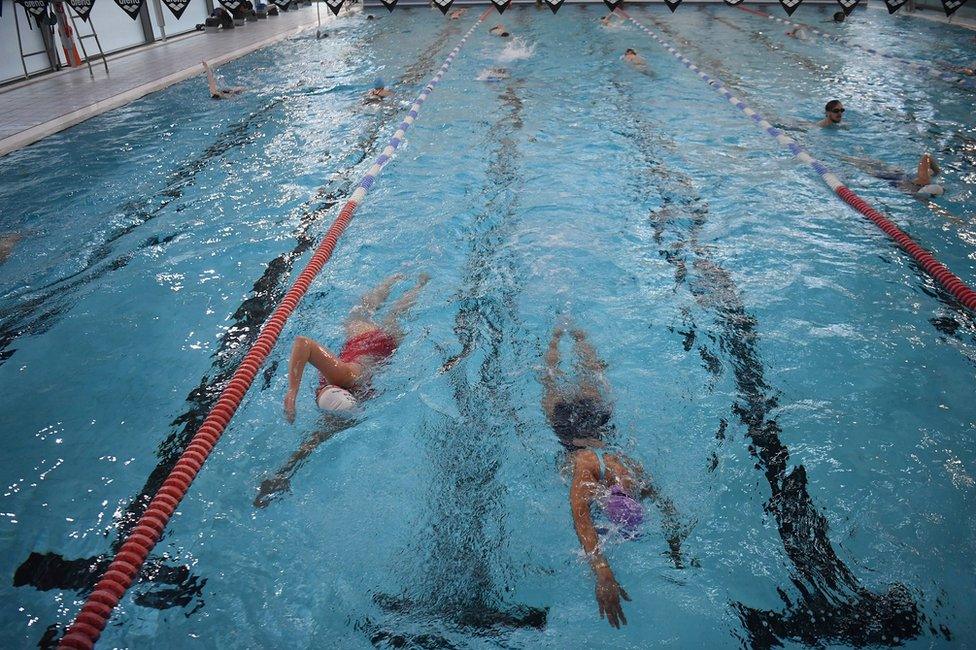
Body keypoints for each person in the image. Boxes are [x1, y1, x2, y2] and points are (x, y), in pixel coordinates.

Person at [540, 324, 685, 629]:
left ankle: (570, 335)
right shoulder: (588, 471)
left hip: (599, 421)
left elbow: (663, 501)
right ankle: (560, 337)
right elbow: (582, 521)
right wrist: (603, 572)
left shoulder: (631, 472)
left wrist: (675, 543)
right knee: (551, 384)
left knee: (590, 376)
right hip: (569, 432)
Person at [254, 273, 429, 508]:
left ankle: (408, 281)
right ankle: (412, 282)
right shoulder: (342, 394)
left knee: (374, 313)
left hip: (371, 341)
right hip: (373, 358)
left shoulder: (344, 377)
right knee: (379, 313)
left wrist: (292, 391)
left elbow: (303, 342)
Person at [842, 152, 944, 199]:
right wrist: (936, 171)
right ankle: (847, 156)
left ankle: (848, 155)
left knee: (867, 164)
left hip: (894, 175)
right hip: (893, 176)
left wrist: (937, 171)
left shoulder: (918, 188)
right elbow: (926, 157)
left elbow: (927, 157)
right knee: (866, 165)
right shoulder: (923, 179)